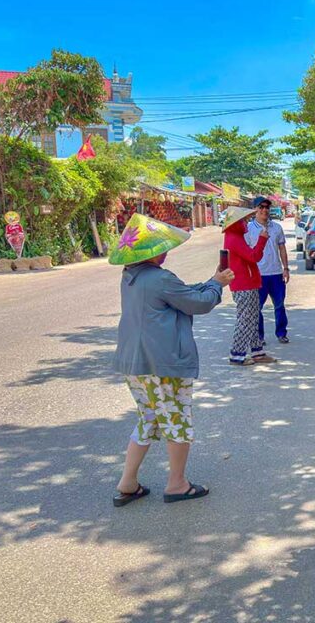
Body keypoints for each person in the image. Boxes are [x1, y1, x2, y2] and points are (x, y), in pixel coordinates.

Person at [110, 213, 234, 506]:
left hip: (135, 364)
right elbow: (198, 303)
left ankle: (128, 482)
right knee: (177, 419)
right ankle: (177, 483)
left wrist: (212, 281)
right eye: (161, 247)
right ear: (151, 252)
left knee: (148, 418)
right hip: (161, 363)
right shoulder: (160, 278)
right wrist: (216, 286)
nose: (166, 252)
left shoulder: (131, 276)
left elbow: (183, 295)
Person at [222, 205, 276, 366]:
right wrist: (262, 239)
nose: (246, 222)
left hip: (247, 283)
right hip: (243, 284)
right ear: (236, 223)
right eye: (244, 220)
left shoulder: (234, 236)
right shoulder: (234, 238)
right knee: (246, 320)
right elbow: (253, 257)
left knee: (252, 319)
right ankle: (236, 355)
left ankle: (257, 352)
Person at [246, 196, 290, 344]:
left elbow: (282, 248)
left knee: (279, 305)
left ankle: (281, 333)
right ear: (255, 210)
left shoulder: (276, 227)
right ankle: (259, 336)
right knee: (257, 307)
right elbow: (245, 253)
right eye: (261, 207)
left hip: (276, 273)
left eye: (267, 207)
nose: (265, 210)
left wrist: (286, 268)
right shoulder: (248, 229)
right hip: (258, 274)